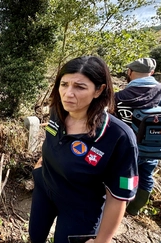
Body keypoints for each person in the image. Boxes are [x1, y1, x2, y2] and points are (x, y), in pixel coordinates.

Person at [29, 56, 139, 243]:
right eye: (64, 84)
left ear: (99, 90)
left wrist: (102, 240)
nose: (68, 94)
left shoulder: (119, 137)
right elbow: (51, 141)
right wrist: (40, 166)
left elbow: (119, 196)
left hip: (80, 209)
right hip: (45, 190)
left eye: (79, 87)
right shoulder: (57, 111)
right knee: (35, 236)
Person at [114, 57, 161, 215]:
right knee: (146, 176)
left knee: (125, 176)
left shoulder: (121, 95)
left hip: (129, 149)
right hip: (156, 148)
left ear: (130, 72)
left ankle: (119, 205)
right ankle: (135, 208)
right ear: (152, 72)